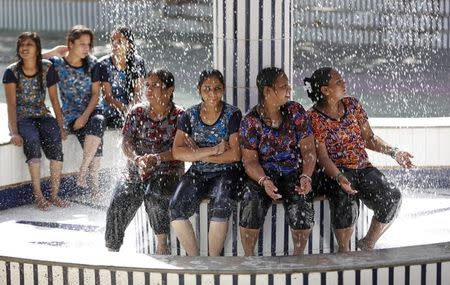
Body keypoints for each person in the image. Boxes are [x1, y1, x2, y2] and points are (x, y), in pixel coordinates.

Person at [304, 67, 413, 252]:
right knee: (345, 198)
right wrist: (339, 177)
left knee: (392, 196)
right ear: (325, 90)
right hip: (335, 170)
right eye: (338, 82)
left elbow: (369, 138)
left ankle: (368, 242)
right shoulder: (313, 117)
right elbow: (322, 157)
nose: (344, 83)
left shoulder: (352, 105)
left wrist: (394, 152)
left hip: (363, 168)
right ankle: (344, 251)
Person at [238, 67, 317, 256]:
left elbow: (309, 150)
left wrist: (306, 175)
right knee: (251, 202)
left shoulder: (295, 111)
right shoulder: (250, 121)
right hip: (263, 174)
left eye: (288, 85)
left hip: (293, 172)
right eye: (283, 86)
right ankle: (249, 258)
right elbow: (249, 162)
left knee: (302, 203)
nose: (289, 89)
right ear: (267, 91)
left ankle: (298, 256)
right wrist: (264, 181)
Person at [105, 69, 184, 254]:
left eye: (155, 85)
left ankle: (162, 244)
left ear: (169, 90)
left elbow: (182, 150)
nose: (149, 89)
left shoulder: (180, 116)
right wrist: (137, 158)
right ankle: (112, 249)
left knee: (154, 195)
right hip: (137, 169)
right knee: (119, 199)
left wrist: (157, 158)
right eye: (147, 85)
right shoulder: (137, 112)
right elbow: (126, 142)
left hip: (167, 171)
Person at [170, 69, 242, 256]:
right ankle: (195, 260)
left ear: (223, 89)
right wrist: (212, 150)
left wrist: (197, 154)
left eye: (217, 88)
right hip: (199, 172)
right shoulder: (189, 116)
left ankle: (212, 261)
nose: (212, 93)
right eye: (207, 88)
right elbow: (177, 152)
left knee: (221, 204)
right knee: (175, 207)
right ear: (199, 90)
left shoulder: (232, 114)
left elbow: (235, 155)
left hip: (226, 171)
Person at [3, 32, 67, 210]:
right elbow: (11, 105)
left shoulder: (47, 67)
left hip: (42, 114)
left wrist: (61, 127)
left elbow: (54, 100)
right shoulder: (11, 72)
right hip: (23, 117)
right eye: (21, 45)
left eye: (29, 45)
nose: (24, 48)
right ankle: (38, 195)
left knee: (55, 138)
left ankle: (54, 195)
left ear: (37, 48)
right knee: (31, 140)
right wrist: (14, 132)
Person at [45, 25, 106, 195]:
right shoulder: (57, 64)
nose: (87, 48)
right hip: (71, 115)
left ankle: (83, 171)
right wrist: (53, 51)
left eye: (89, 44)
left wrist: (85, 116)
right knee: (96, 140)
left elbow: (96, 94)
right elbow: (29, 59)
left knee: (98, 121)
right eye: (82, 44)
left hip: (92, 111)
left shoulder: (93, 63)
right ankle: (94, 187)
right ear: (70, 44)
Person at [98, 27, 146, 128]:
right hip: (109, 111)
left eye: (119, 41)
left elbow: (138, 93)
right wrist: (126, 110)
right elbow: (108, 97)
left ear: (129, 44)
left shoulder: (137, 62)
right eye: (113, 41)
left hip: (132, 109)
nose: (115, 44)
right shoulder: (104, 64)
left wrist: (131, 110)